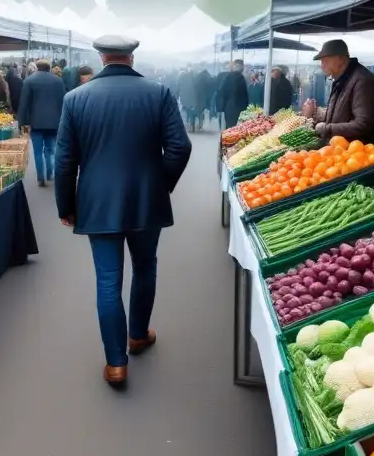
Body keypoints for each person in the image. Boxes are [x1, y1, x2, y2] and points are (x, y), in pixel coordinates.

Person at [54, 35, 191, 387]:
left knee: (107, 280)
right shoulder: (157, 93)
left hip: (97, 202)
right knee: (146, 268)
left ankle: (116, 363)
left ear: (101, 58)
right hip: (147, 199)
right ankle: (138, 335)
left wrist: (66, 205)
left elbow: (65, 160)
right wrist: (161, 185)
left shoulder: (75, 99)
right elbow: (179, 146)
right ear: (131, 57)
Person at [302, 40, 374, 150]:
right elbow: (341, 113)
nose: (322, 65)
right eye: (321, 61)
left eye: (325, 60)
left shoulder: (363, 81)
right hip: (346, 151)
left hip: (366, 154)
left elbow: (363, 124)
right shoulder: (341, 79)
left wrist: (327, 129)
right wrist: (316, 115)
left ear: (341, 58)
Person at [17, 59, 65, 187]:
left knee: (37, 151)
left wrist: (21, 123)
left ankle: (40, 177)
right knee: (51, 149)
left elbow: (24, 104)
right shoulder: (58, 81)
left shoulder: (29, 81)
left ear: (37, 67)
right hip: (55, 122)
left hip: (36, 122)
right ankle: (50, 173)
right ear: (49, 67)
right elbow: (63, 101)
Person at [218, 59, 249, 129]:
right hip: (240, 109)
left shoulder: (228, 77)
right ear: (241, 68)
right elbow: (245, 96)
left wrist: (222, 107)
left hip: (229, 108)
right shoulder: (242, 78)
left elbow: (222, 92)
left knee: (229, 128)